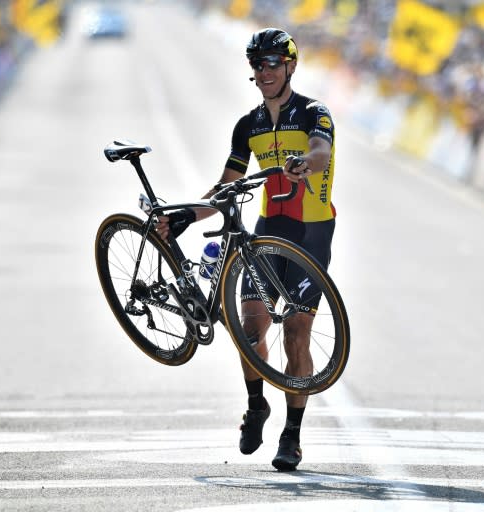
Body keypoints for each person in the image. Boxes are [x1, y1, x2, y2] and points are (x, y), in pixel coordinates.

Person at [155, 27, 337, 471]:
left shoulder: (314, 111)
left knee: (296, 331)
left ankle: (292, 435)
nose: (265, 71)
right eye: (258, 64)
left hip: (310, 236)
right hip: (266, 233)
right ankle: (257, 405)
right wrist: (185, 217)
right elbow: (226, 187)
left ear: (290, 66)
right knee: (251, 332)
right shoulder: (248, 125)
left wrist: (303, 164)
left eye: (274, 62)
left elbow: (322, 152)